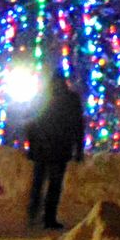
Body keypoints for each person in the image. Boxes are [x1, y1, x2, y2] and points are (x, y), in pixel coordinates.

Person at [25, 74, 85, 228]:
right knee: (54, 185)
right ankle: (48, 218)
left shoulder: (41, 98)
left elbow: (31, 123)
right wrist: (78, 149)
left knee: (39, 183)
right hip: (60, 148)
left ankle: (33, 215)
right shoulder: (71, 100)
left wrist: (31, 146)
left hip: (43, 148)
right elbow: (78, 125)